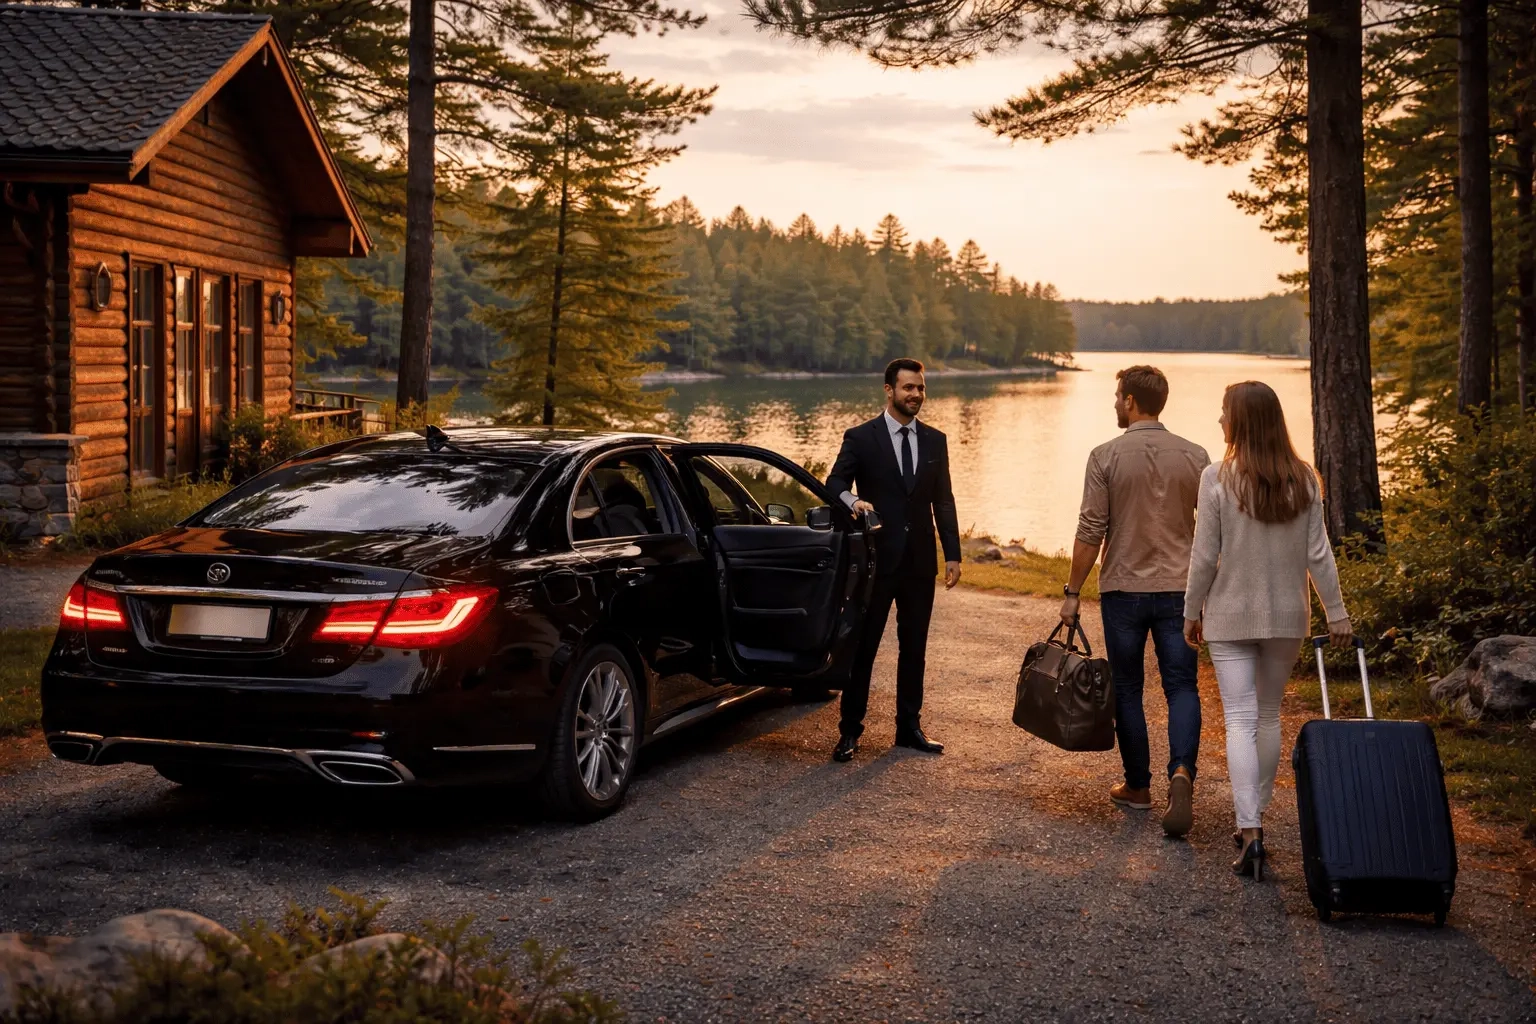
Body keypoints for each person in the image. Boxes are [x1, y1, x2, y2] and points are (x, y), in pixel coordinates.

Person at [1182, 381, 1351, 881]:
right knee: (1269, 716)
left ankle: (1249, 830)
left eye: (1223, 412)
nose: (1218, 420)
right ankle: (1255, 824)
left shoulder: (1217, 478)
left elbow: (1204, 556)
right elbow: (1319, 553)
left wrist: (1191, 611)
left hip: (1231, 616)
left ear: (1241, 420)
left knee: (1239, 718)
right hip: (1286, 618)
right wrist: (1337, 614)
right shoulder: (1304, 478)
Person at [1060, 365, 1209, 837]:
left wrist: (1072, 592)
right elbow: (1213, 531)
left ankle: (1138, 787)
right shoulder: (1196, 456)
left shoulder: (1105, 455)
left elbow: (1091, 529)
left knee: (1127, 687)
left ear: (1128, 401)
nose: (1115, 403)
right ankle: (1181, 772)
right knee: (1182, 686)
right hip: (1181, 590)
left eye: (1116, 396)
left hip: (1123, 589)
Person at [826, 357, 962, 762]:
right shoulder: (860, 437)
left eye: (920, 388)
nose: (916, 395)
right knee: (863, 649)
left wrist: (952, 553)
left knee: (914, 648)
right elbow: (834, 483)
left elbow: (944, 499)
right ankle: (850, 731)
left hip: (920, 564)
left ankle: (909, 728)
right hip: (876, 563)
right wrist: (853, 501)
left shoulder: (936, 440)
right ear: (889, 390)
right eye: (908, 388)